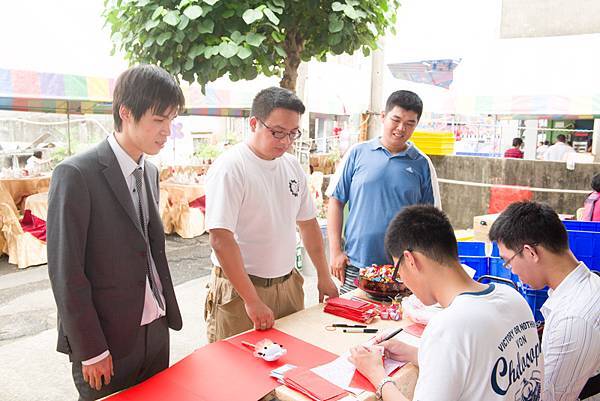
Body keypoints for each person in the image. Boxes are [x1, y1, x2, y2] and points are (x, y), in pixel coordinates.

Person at [47, 65, 184, 400]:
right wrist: (90, 349)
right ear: (126, 112)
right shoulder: (76, 174)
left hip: (155, 328)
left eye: (171, 120)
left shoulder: (149, 171)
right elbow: (66, 272)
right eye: (158, 120)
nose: (167, 131)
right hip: (106, 339)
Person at [349, 205, 542, 401]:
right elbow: (478, 366)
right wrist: (417, 354)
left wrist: (377, 375)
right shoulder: (513, 298)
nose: (402, 280)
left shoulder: (448, 327)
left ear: (410, 259)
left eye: (398, 271)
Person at [204, 86, 338, 342]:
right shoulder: (232, 168)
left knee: (288, 367)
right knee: (236, 372)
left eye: (292, 134)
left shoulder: (291, 166)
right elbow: (220, 239)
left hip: (287, 285)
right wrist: (252, 300)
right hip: (240, 292)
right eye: (277, 132)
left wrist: (323, 275)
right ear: (254, 123)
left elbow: (308, 225)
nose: (286, 141)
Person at [326, 90, 440, 294]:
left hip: (403, 271)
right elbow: (336, 200)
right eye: (395, 119)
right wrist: (335, 252)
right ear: (383, 116)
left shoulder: (422, 164)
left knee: (397, 324)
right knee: (349, 322)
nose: (401, 128)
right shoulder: (357, 153)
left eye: (410, 123)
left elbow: (431, 221)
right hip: (355, 265)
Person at [489, 201, 600, 400]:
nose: (511, 271)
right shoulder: (591, 282)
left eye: (508, 261)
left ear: (531, 253)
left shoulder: (572, 319)